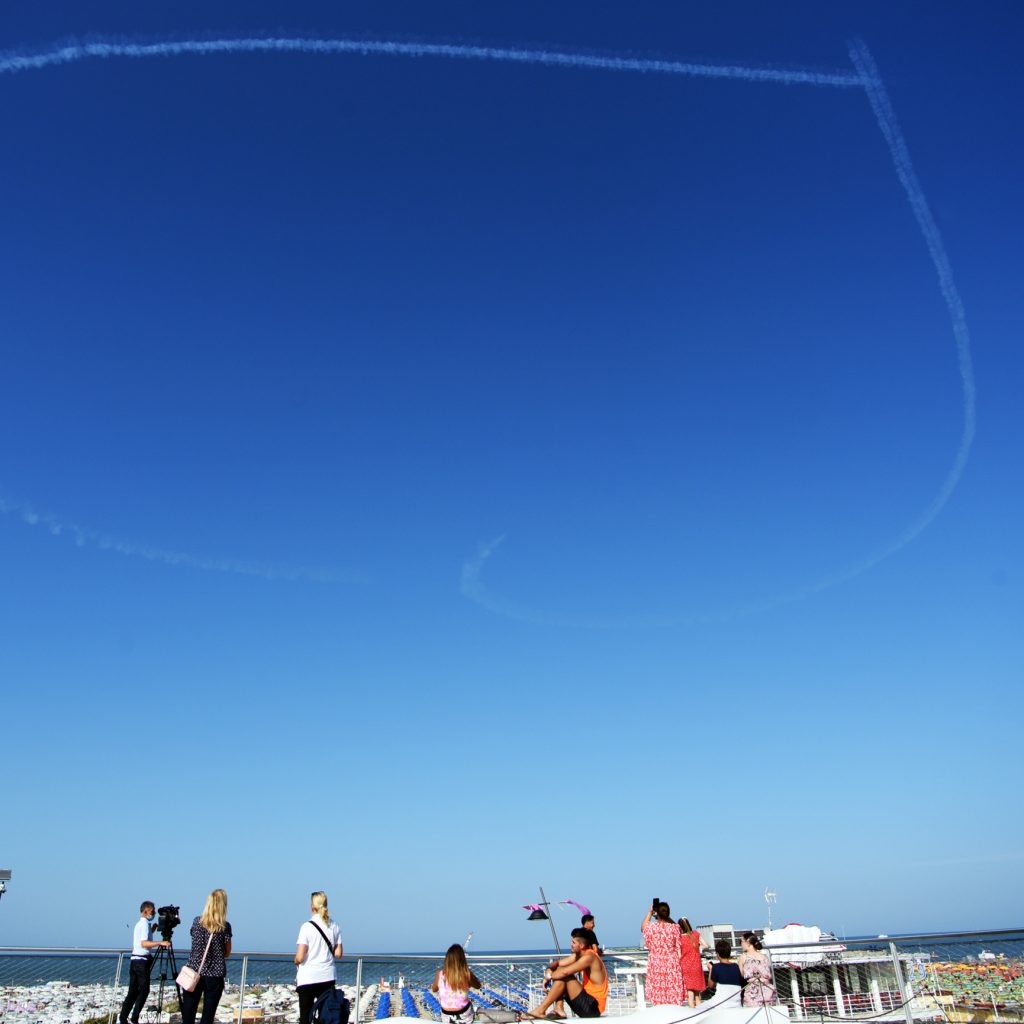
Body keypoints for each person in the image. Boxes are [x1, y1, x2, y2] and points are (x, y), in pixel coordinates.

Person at [528, 928, 607, 1020]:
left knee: (564, 974)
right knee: (560, 971)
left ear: (581, 945)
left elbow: (564, 972)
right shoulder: (579, 955)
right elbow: (558, 963)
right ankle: (559, 1009)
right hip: (586, 1003)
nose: (571, 944)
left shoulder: (589, 957)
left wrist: (548, 977)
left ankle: (540, 1010)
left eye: (573, 942)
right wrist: (549, 969)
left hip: (593, 1007)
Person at [180, 889, 233, 1024]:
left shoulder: (196, 922)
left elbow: (194, 940)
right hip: (215, 975)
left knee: (188, 1013)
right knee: (208, 1016)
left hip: (194, 972)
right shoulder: (224, 927)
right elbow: (227, 952)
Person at [295, 891, 344, 1024]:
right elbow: (338, 953)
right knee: (327, 1016)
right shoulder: (334, 925)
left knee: (305, 1017)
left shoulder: (306, 927)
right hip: (327, 976)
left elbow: (300, 956)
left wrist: (296, 961)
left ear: (312, 906)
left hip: (308, 977)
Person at [119, 901, 171, 1024]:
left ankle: (123, 1018)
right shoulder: (143, 924)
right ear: (146, 911)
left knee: (133, 991)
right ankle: (134, 1018)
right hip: (141, 961)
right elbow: (143, 943)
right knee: (144, 990)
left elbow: (141, 940)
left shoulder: (141, 924)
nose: (154, 913)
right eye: (152, 911)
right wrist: (160, 942)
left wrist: (152, 930)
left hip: (135, 960)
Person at [641, 902, 684, 1006]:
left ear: (657, 914)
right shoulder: (674, 928)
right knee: (672, 993)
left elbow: (643, 928)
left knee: (658, 995)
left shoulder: (652, 927)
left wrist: (650, 912)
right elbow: (679, 932)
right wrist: (667, 916)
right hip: (671, 963)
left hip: (656, 963)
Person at [431, 943, 482, 1024]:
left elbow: (434, 989)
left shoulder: (440, 974)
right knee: (469, 1004)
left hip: (446, 1014)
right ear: (462, 959)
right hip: (464, 1013)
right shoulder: (466, 973)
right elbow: (478, 986)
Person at [739, 932, 778, 1007]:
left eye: (741, 941)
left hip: (752, 991)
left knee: (754, 1012)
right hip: (768, 989)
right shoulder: (764, 957)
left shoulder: (743, 957)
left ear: (748, 941)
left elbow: (741, 975)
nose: (741, 944)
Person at [678, 918, 710, 1007]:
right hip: (696, 965)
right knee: (697, 994)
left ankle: (692, 1011)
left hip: (686, 967)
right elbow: (706, 945)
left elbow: (679, 955)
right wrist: (699, 948)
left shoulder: (680, 938)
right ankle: (699, 1009)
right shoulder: (695, 934)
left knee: (690, 994)